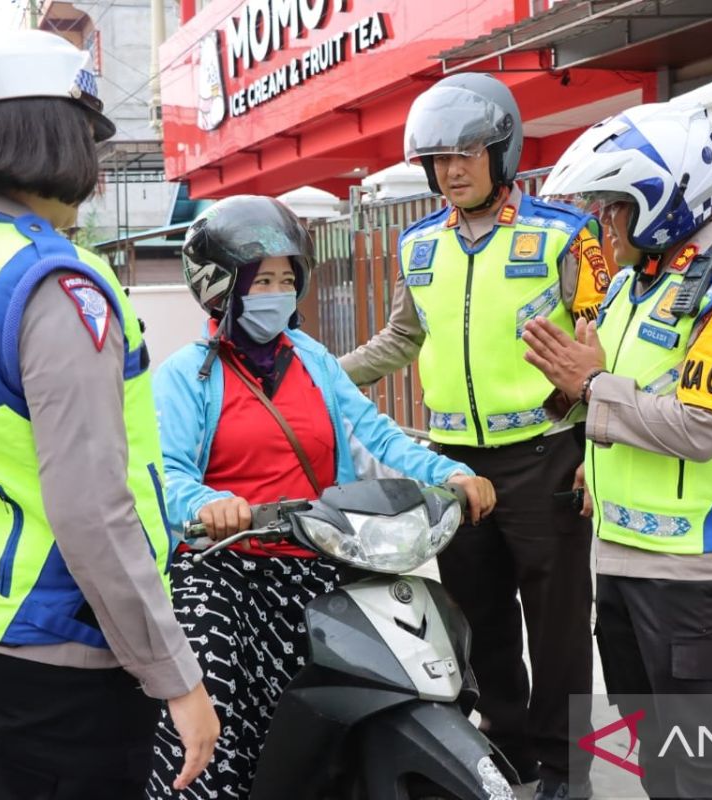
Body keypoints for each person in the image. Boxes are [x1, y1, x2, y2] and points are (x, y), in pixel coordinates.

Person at [0, 31, 218, 800]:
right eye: (88, 142)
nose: (93, 171)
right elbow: (93, 509)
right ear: (52, 140)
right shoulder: (52, 285)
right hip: (60, 637)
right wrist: (174, 674)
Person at [146, 194, 497, 799]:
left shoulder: (312, 359)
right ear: (220, 287)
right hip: (225, 567)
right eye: (262, 280)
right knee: (217, 704)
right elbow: (168, 474)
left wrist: (450, 474)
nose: (278, 293)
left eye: (288, 279)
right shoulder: (187, 374)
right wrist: (208, 504)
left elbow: (376, 433)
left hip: (320, 558)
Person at [339, 73, 613, 799]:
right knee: (478, 614)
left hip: (546, 455)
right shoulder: (418, 245)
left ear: (502, 153)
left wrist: (594, 447)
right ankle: (512, 746)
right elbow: (401, 337)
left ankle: (565, 767)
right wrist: (322, 376)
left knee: (556, 627)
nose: (451, 171)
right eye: (438, 159)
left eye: (466, 153)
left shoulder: (566, 234)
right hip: (454, 466)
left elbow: (601, 347)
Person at [522, 101, 712, 798]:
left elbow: (700, 430)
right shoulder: (630, 288)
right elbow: (609, 393)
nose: (601, 224)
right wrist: (570, 391)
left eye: (612, 208)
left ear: (662, 203)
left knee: (706, 767)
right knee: (654, 754)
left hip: (697, 566)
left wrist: (593, 385)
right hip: (622, 555)